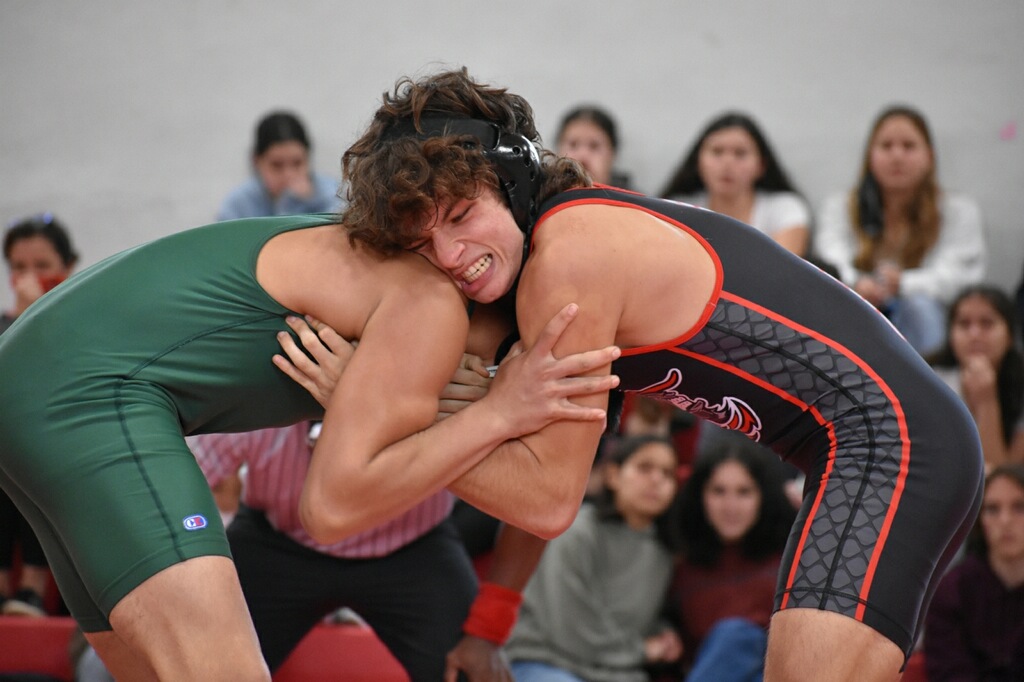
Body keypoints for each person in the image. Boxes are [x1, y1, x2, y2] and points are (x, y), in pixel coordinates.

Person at [337, 66, 985, 681]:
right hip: (883, 446)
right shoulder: (567, 245)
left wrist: (403, 422)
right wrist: (490, 625)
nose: (450, 257)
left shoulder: (568, 262)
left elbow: (548, 497)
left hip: (893, 444)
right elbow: (544, 477)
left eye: (458, 216)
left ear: (511, 181)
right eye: (423, 244)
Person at [0, 193, 618, 679]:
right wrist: (494, 414)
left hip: (37, 378)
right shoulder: (428, 303)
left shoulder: (379, 282)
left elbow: (534, 504)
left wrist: (388, 404)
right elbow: (331, 509)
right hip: (97, 397)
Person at [503, 435, 682, 682]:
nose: (657, 480)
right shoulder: (575, 531)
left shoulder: (663, 552)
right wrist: (640, 650)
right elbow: (569, 625)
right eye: (645, 467)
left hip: (619, 674)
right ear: (612, 475)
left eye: (668, 473)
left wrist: (662, 634)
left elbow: (632, 620)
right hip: (545, 661)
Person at [816, 105, 986, 356]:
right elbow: (830, 262)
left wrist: (903, 284)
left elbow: (961, 278)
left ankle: (927, 388)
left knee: (920, 307)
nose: (897, 156)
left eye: (908, 146)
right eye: (886, 146)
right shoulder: (840, 207)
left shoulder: (959, 210)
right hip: (857, 306)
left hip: (930, 322)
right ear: (870, 157)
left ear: (930, 156)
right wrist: (857, 283)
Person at [667, 434, 796, 681]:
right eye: (718, 491)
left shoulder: (790, 561)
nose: (731, 506)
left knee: (738, 635)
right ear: (700, 495)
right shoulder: (682, 569)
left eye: (744, 492)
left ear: (763, 496)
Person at [1, 213, 78, 618]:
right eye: (18, 268)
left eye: (42, 266)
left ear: (68, 268)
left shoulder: (84, 320)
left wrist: (35, 321)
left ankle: (34, 585)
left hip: (65, 442)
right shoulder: (4, 326)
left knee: (30, 453)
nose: (28, 277)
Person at [660, 112, 811, 258]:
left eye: (740, 153)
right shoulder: (677, 210)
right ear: (698, 162)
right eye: (717, 152)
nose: (727, 164)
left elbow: (783, 268)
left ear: (761, 165)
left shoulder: (785, 209)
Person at [923, 464, 1024, 681]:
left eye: (1019, 507)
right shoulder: (952, 591)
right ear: (980, 520)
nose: (1005, 521)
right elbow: (948, 673)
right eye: (993, 509)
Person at [929, 285, 1024, 470]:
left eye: (987, 323)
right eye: (964, 324)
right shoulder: (930, 381)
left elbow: (1003, 483)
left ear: (1010, 335)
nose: (974, 335)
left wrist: (986, 402)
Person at [217, 110, 343, 221]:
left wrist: (297, 203)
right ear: (256, 162)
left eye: (297, 163)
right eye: (277, 165)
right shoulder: (238, 206)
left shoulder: (334, 195)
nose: (289, 174)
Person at [554, 105, 632, 189]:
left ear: (612, 154)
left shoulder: (634, 201)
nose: (582, 156)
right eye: (573, 145)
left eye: (594, 146)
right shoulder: (541, 200)